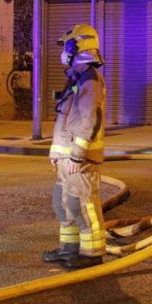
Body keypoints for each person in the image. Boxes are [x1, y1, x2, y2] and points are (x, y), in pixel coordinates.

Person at [43, 24, 107, 269]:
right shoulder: (77, 79)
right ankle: (69, 248)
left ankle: (91, 253)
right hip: (66, 157)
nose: (63, 53)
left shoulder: (90, 79)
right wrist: (56, 152)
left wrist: (78, 156)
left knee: (82, 204)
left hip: (80, 160)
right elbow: (66, 119)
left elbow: (90, 119)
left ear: (76, 48)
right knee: (63, 203)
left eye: (66, 47)